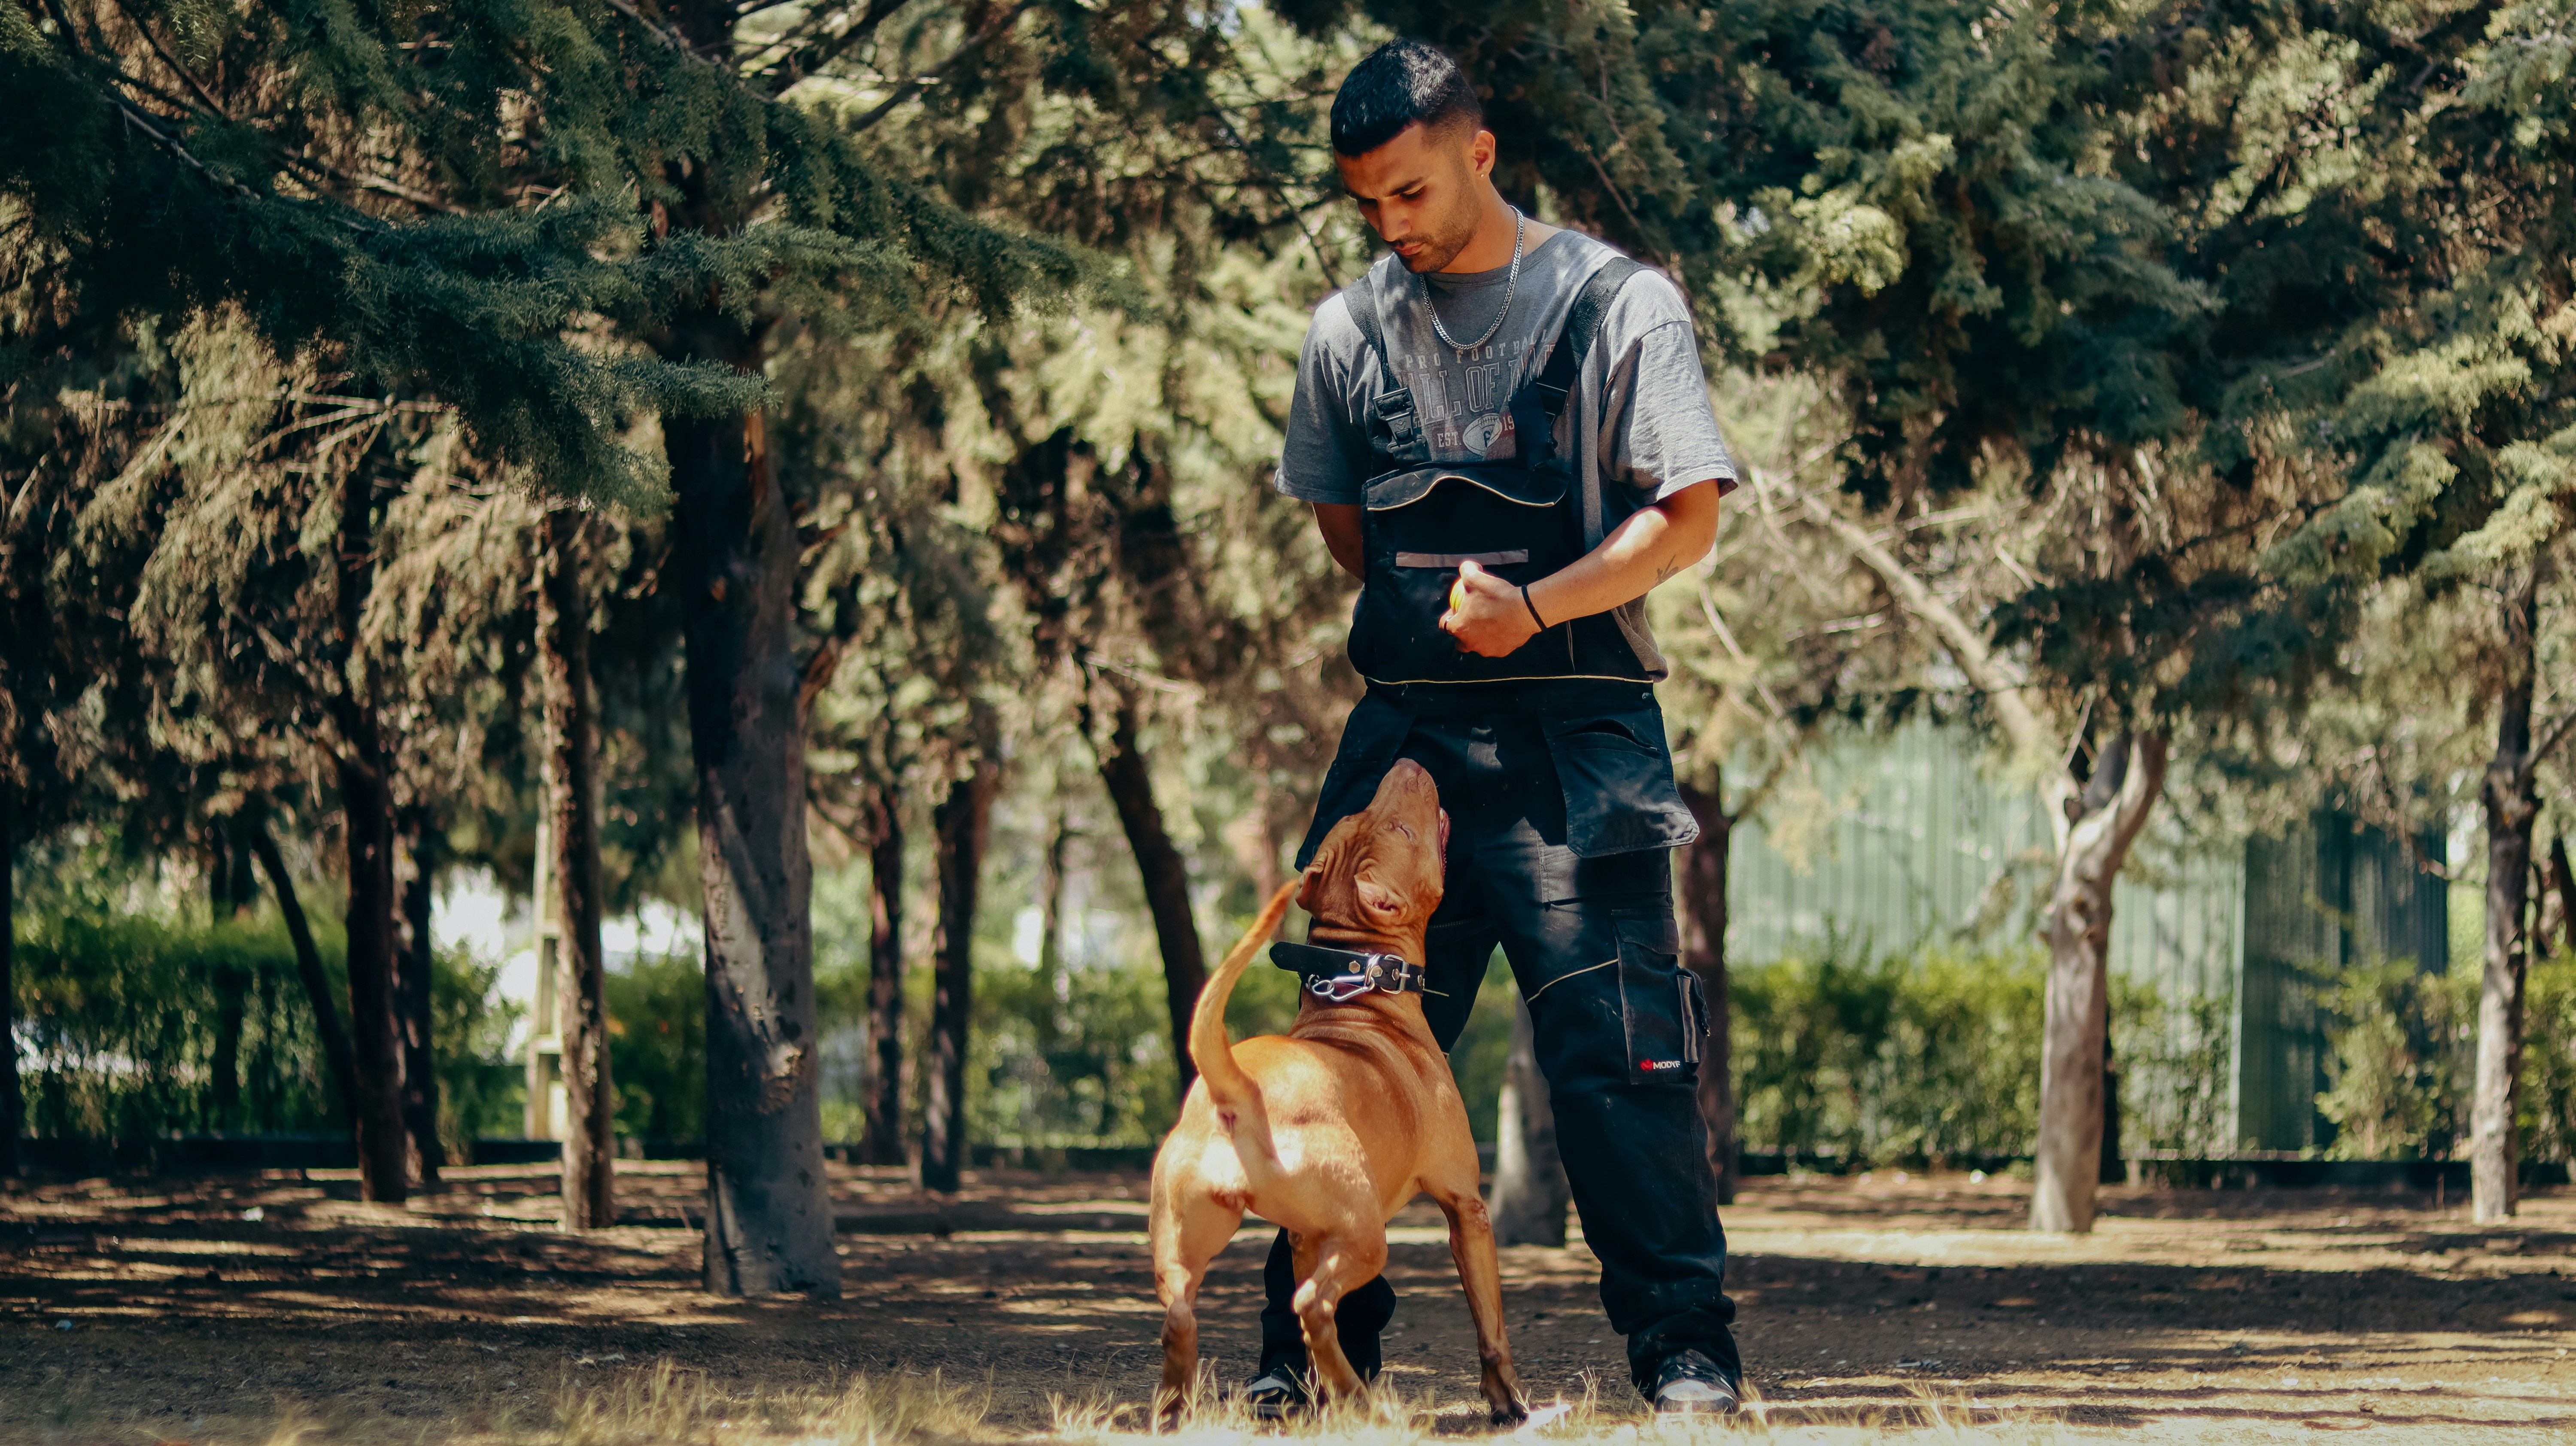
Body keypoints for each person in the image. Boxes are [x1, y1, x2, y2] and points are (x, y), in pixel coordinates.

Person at [1246, 36, 1744, 1420]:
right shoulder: (1347, 335)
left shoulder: (1619, 307)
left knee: (1621, 1058)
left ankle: (1686, 1355)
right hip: (1405, 748)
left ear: (1478, 150)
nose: (1391, 226)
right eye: (1368, 206)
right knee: (1344, 1057)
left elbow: (1687, 518)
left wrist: (1537, 609)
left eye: (1411, 192)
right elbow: (1351, 534)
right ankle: (1309, 1362)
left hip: (1581, 743)